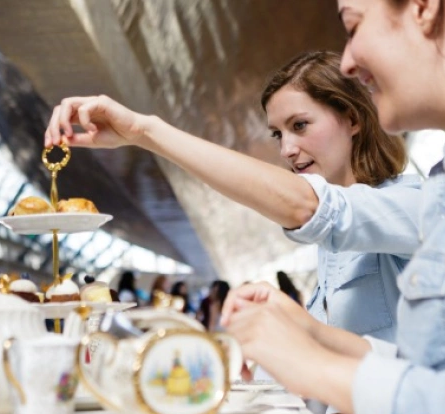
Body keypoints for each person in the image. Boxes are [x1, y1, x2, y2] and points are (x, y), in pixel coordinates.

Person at [222, 1, 445, 414]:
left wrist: (320, 368)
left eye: (353, 27)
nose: (350, 61)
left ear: (424, 8)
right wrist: (311, 333)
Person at [45, 50, 421, 346]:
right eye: (278, 134)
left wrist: (145, 131)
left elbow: (306, 205)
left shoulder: (410, 205)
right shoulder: (332, 247)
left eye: (300, 125)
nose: (288, 149)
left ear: (352, 119)